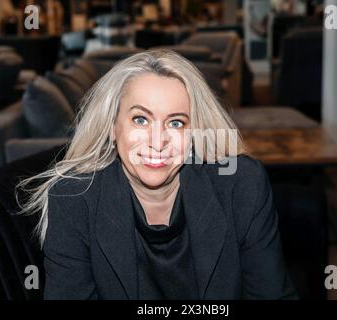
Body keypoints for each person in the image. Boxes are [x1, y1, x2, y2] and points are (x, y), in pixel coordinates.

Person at [19, 49, 296, 299]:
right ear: (113, 127)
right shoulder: (73, 198)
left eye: (176, 123)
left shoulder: (242, 184)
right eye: (140, 119)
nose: (157, 141)